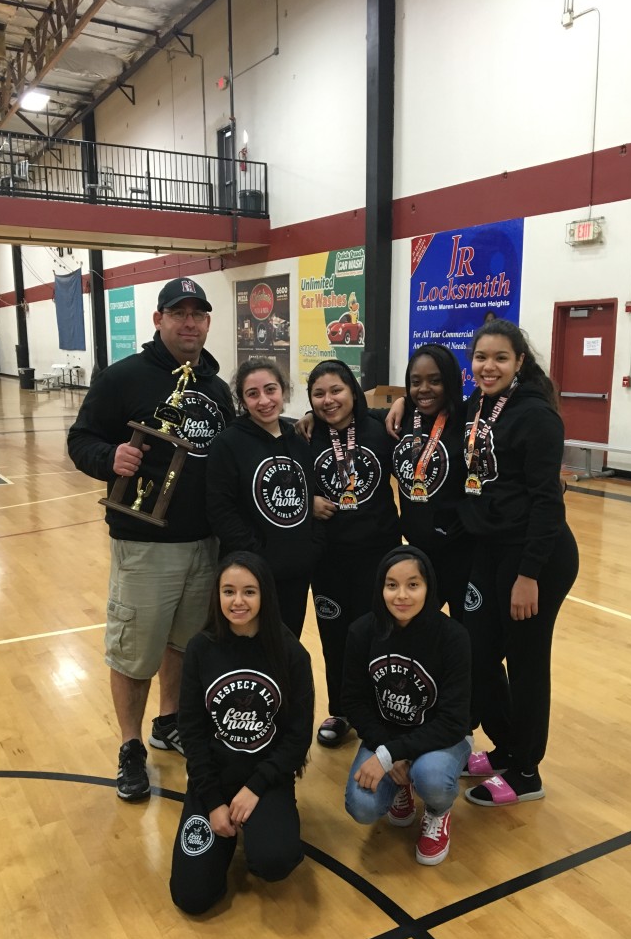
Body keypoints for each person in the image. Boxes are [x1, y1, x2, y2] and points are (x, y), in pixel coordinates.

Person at [68, 277, 235, 802]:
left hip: (205, 544)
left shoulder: (215, 386)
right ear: (158, 320)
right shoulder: (124, 378)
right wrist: (108, 458)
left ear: (208, 322)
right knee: (134, 652)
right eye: (177, 312)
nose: (189, 322)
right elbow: (80, 439)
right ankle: (130, 746)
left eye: (198, 314)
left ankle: (169, 723)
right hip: (145, 546)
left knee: (184, 645)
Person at [460, 319, 579, 806]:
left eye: (500, 359)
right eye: (481, 358)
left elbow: (549, 502)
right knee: (478, 653)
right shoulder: (478, 406)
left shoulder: (537, 416)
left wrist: (528, 574)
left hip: (536, 557)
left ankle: (527, 771)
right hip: (490, 551)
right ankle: (506, 746)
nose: (489, 367)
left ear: (519, 363)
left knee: (527, 662)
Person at [169, 552, 314, 915]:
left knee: (275, 861)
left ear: (265, 595)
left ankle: (262, 831)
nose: (238, 601)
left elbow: (297, 738)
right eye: (228, 591)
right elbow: (191, 729)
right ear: (216, 596)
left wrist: (256, 789)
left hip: (265, 779)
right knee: (192, 897)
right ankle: (221, 840)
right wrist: (214, 800)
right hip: (214, 778)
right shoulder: (202, 648)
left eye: (249, 592)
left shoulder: (291, 653)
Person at [342, 546, 472, 866]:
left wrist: (387, 755)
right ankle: (400, 787)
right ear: (380, 589)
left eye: (413, 585)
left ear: (429, 588)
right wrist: (390, 750)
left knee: (432, 778)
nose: (402, 595)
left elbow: (453, 721)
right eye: (392, 585)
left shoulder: (453, 637)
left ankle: (438, 811)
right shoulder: (362, 632)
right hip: (388, 733)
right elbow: (354, 702)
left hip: (442, 737)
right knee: (361, 806)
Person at [306, 360, 400, 748]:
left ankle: (382, 709)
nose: (329, 401)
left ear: (353, 392)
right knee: (335, 636)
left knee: (379, 634)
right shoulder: (304, 435)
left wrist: (400, 404)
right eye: (319, 393)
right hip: (328, 558)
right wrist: (308, 501)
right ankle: (341, 709)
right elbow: (288, 476)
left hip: (378, 555)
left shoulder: (381, 429)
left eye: (336, 390)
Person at [206, 358, 320, 637]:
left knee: (286, 647)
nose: (264, 400)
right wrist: (258, 556)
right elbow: (220, 509)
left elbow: (311, 497)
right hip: (250, 574)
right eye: (253, 394)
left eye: (271, 390)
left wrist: (312, 547)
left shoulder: (298, 439)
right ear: (242, 401)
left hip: (295, 574)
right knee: (248, 652)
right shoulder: (228, 443)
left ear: (283, 391)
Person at [387, 343, 471, 620]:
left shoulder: (467, 421)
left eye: (435, 381)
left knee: (469, 641)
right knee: (416, 635)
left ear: (450, 380)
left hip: (462, 556)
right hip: (419, 557)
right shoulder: (399, 424)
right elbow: (351, 420)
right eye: (415, 382)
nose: (424, 389)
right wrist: (310, 417)